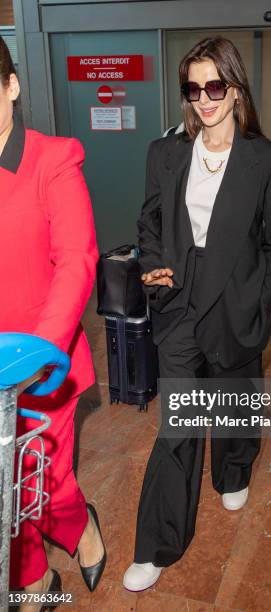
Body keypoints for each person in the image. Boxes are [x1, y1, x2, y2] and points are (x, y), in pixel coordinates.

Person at [123, 36, 271, 591]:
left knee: (235, 391)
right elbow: (149, 221)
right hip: (178, 300)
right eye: (192, 88)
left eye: (214, 86)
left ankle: (235, 467)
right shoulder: (165, 152)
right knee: (179, 422)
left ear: (235, 88)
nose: (203, 98)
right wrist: (152, 265)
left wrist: (259, 301)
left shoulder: (266, 160)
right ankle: (158, 543)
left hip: (235, 295)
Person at [0, 36, 106, 610]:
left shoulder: (53, 159)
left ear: (12, 85)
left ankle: (79, 525)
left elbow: (76, 262)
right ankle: (35, 578)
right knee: (2, 486)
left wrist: (37, 352)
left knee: (41, 481)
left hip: (43, 364)